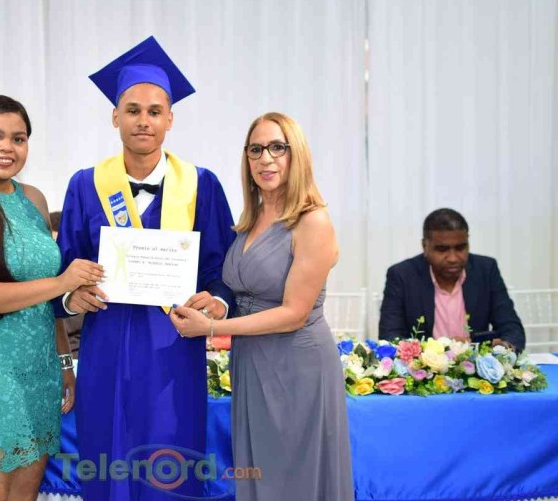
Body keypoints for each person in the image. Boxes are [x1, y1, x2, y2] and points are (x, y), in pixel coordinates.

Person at [53, 36, 236, 500]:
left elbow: (222, 268)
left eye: (155, 111)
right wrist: (72, 295)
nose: (143, 120)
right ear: (114, 116)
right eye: (132, 110)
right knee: (107, 450)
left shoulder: (202, 185)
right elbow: (66, 268)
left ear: (170, 119)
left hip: (174, 344)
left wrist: (216, 301)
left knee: (169, 456)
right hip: (106, 342)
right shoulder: (86, 185)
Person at [170, 112, 354, 500]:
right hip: (252, 363)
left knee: (295, 479)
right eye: (255, 149)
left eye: (277, 148)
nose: (265, 158)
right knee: (260, 476)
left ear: (296, 154)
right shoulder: (250, 219)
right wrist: (216, 306)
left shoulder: (312, 221)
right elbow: (245, 294)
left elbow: (294, 314)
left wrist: (212, 329)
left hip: (297, 366)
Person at [0, 95, 104, 501]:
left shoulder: (34, 199)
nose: (6, 148)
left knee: (25, 496)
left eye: (18, 138)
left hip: (39, 370)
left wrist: (64, 362)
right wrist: (62, 282)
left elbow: (47, 305)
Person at [378, 208, 526, 351]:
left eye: (460, 248)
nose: (453, 258)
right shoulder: (402, 275)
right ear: (425, 246)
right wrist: (440, 352)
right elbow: (390, 336)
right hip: (425, 366)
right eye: (442, 249)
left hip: (477, 365)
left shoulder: (486, 270)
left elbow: (512, 329)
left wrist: (503, 348)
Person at [49, 210, 84, 359]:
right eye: (52, 248)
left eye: (61, 249)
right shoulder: (30, 285)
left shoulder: (86, 286)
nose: (58, 256)